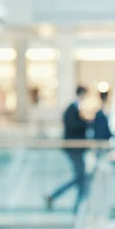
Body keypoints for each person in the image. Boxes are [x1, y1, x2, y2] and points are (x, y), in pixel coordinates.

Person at [47, 85, 90, 214]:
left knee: (80, 177)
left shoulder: (74, 109)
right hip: (74, 148)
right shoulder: (71, 109)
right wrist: (86, 123)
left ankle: (76, 204)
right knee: (81, 178)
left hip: (76, 148)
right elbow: (73, 126)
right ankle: (78, 206)